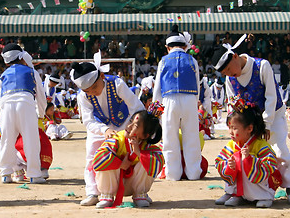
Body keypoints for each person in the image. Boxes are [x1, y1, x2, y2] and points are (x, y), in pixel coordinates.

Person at [210, 34, 290, 204]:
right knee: (238, 153)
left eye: (229, 69)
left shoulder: (262, 66)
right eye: (225, 73)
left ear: (235, 57)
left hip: (273, 115)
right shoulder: (231, 79)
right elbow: (232, 103)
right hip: (248, 122)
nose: (230, 75)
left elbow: (271, 97)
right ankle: (235, 191)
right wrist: (233, 125)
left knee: (279, 151)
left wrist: (266, 124)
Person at [71, 52, 144, 206]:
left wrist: (133, 126)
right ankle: (93, 192)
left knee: (135, 152)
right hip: (100, 127)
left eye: (94, 87)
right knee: (92, 156)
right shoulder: (82, 96)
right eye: (88, 91)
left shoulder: (117, 83)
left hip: (124, 124)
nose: (92, 92)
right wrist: (104, 130)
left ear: (102, 77)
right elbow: (88, 121)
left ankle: (139, 192)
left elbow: (136, 107)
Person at [152, 25, 202, 181]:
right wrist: (194, 103)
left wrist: (156, 108)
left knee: (169, 138)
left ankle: (173, 174)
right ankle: (194, 173)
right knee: (191, 137)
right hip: (189, 99)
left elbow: (158, 88)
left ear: (167, 47)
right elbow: (197, 84)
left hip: (169, 100)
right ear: (185, 46)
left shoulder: (163, 61)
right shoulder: (192, 60)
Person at [93, 106, 164, 208]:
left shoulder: (147, 147)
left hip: (133, 185)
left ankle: (140, 194)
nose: (129, 126)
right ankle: (106, 196)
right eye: (130, 121)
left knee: (149, 160)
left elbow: (158, 164)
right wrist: (120, 164)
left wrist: (139, 153)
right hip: (114, 183)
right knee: (106, 159)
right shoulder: (117, 139)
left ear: (145, 136)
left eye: (135, 126)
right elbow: (98, 159)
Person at [215, 100, 282, 208]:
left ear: (249, 128)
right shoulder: (232, 144)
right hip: (242, 184)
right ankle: (237, 194)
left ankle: (264, 196)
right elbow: (220, 161)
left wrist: (250, 159)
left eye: (235, 128)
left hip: (261, 186)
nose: (231, 132)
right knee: (236, 159)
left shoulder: (260, 145)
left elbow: (270, 164)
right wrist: (229, 165)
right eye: (229, 128)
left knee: (242, 159)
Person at [0, 43, 47, 184]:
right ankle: (34, 174)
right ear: (21, 56)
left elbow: (0, 99)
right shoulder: (32, 72)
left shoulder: (3, 75)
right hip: (26, 104)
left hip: (7, 105)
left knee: (6, 139)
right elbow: (41, 96)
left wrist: (3, 114)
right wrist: (41, 114)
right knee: (31, 140)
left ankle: (6, 174)